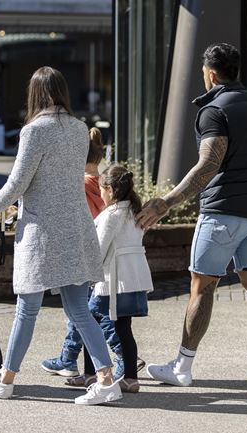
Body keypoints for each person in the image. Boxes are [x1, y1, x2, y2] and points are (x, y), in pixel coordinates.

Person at [137, 42, 247, 390]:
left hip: (223, 213)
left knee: (202, 286)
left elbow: (208, 164)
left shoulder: (213, 110)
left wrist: (166, 201)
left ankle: (182, 366)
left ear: (210, 73)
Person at [0, 66, 122, 406]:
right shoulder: (79, 128)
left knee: (27, 309)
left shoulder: (34, 131)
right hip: (75, 227)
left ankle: (6, 379)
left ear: (34, 94)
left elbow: (16, 184)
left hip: (43, 233)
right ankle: (106, 379)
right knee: (80, 311)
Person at [40, 128, 125, 387]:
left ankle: (123, 356)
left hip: (84, 255)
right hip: (104, 258)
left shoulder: (82, 185)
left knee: (85, 313)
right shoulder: (103, 183)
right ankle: (68, 357)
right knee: (82, 312)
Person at [93, 163, 153, 393]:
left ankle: (92, 374)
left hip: (113, 282)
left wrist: (88, 274)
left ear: (110, 189)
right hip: (133, 279)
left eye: (101, 189)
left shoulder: (111, 216)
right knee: (124, 328)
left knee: (89, 320)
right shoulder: (135, 212)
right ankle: (130, 378)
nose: (99, 193)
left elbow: (99, 249)